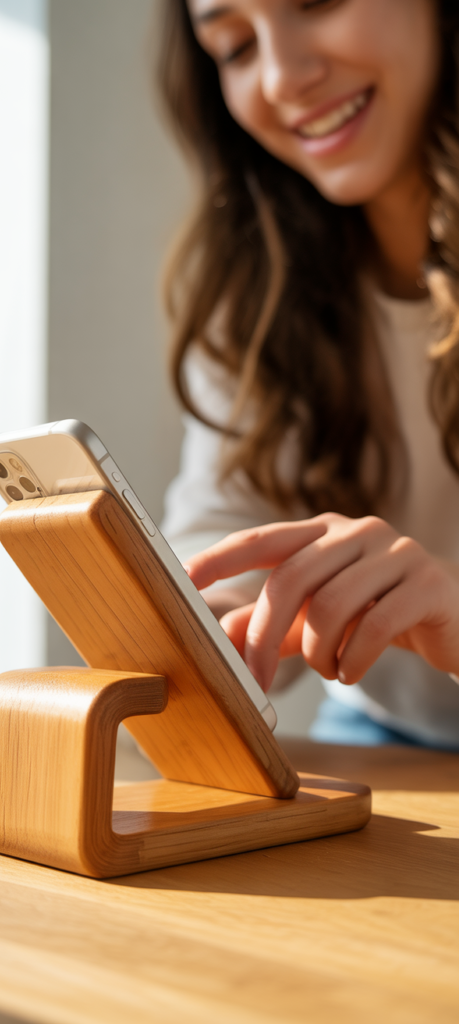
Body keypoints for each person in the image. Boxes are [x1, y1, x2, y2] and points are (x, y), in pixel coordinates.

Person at [157, 0, 459, 747]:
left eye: (317, 1)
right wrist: (211, 636)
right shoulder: (257, 291)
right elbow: (224, 539)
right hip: (384, 729)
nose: (284, 78)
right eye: (233, 47)